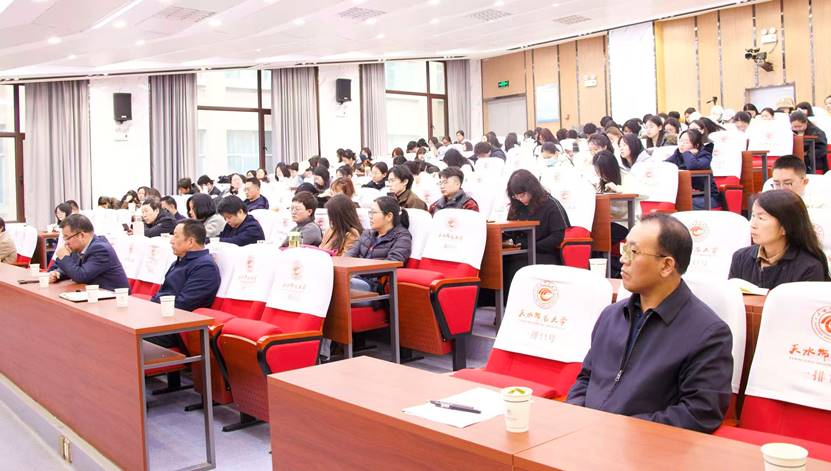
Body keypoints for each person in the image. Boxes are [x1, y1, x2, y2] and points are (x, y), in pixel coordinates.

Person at [567, 213, 733, 433]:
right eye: (624, 249)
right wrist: (576, 416)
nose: (623, 260)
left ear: (666, 266)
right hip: (586, 436)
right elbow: (587, 378)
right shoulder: (611, 315)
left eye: (633, 252)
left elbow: (700, 412)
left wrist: (622, 430)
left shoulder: (708, 333)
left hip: (644, 444)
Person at [729, 190, 829, 289]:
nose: (752, 224)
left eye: (761, 218)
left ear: (785, 227)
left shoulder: (809, 267)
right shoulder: (740, 258)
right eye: (753, 216)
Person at [503, 169, 570, 297]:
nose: (520, 199)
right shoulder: (516, 205)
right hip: (520, 252)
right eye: (516, 196)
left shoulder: (550, 204)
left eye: (523, 195)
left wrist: (532, 246)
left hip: (544, 253)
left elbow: (557, 237)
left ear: (532, 189)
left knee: (518, 266)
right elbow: (510, 231)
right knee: (502, 263)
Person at [48, 214, 130, 292]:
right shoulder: (78, 247)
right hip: (93, 294)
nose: (66, 242)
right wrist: (57, 274)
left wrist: (64, 257)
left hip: (114, 297)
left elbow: (81, 276)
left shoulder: (100, 249)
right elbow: (72, 268)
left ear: (81, 235)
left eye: (67, 237)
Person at [346, 196, 412, 291]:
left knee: (339, 284)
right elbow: (349, 255)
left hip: (373, 285)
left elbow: (392, 263)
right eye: (370, 212)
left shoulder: (402, 237)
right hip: (354, 277)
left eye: (374, 212)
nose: (370, 216)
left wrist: (357, 271)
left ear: (389, 216)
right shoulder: (367, 233)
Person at [664, 129, 720, 210]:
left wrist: (687, 153)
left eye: (686, 142)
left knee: (682, 204)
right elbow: (665, 166)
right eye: (680, 141)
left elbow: (692, 165)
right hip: (686, 195)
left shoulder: (705, 155)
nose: (682, 144)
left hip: (707, 197)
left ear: (696, 145)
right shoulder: (677, 154)